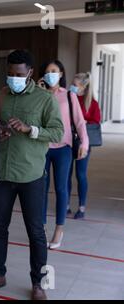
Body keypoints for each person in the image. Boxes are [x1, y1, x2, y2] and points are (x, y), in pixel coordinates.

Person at [0, 50, 64, 300]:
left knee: (35, 231)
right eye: (9, 73)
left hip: (31, 176)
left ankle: (37, 282)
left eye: (18, 74)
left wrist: (30, 129)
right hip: (2, 175)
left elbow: (58, 132)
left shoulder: (44, 99)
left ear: (29, 73)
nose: (13, 78)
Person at [38, 60, 89, 249]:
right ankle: (40, 228)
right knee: (41, 189)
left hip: (63, 148)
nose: (50, 74)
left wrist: (84, 142)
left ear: (60, 74)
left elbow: (80, 121)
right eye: (47, 71)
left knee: (61, 188)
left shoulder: (69, 96)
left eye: (54, 71)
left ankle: (59, 228)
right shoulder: (39, 95)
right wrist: (37, 91)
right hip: (42, 147)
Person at [67, 72, 101, 219]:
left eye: (75, 85)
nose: (72, 87)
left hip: (83, 142)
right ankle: (66, 205)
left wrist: (83, 123)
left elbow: (96, 122)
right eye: (72, 84)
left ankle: (81, 207)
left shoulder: (92, 103)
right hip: (68, 141)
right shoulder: (68, 98)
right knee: (66, 175)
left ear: (84, 88)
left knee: (80, 175)